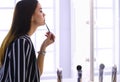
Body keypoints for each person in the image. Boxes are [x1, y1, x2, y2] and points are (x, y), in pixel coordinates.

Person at [0, 0, 55, 82]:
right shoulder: (21, 42)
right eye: (40, 11)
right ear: (31, 16)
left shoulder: (25, 41)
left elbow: (36, 73)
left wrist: (44, 46)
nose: (44, 14)